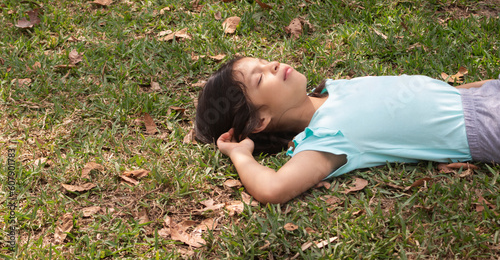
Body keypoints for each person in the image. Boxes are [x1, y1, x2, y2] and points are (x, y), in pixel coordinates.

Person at [195, 56, 500, 204]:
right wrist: (239, 153)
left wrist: (482, 88)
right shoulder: (326, 137)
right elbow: (273, 189)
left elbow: (435, 95)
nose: (272, 65)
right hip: (487, 125)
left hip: (480, 96)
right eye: (259, 79)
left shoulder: (334, 89)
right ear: (259, 120)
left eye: (263, 62)